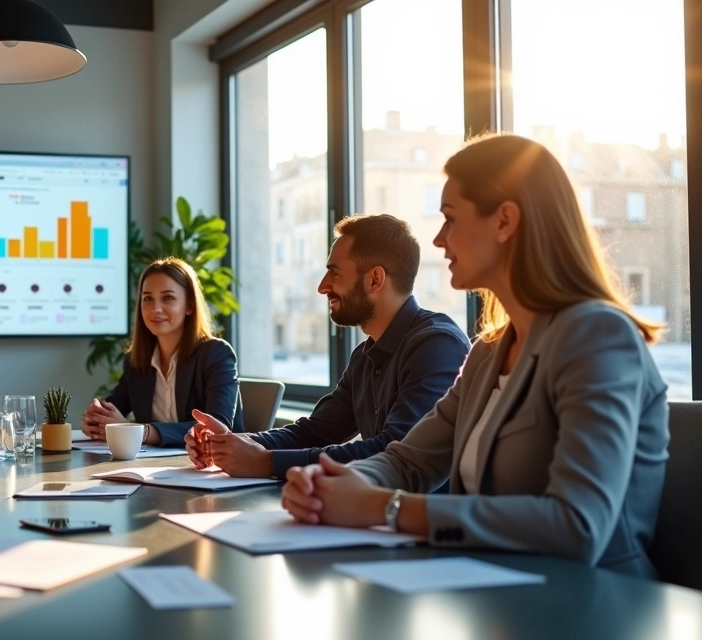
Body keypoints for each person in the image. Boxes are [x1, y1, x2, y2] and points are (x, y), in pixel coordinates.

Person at [281, 134, 669, 578]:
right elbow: (409, 461)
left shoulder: (597, 336)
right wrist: (336, 484)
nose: (439, 238)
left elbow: (578, 527)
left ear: (505, 221)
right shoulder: (487, 352)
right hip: (493, 590)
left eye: (449, 218)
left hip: (594, 604)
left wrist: (386, 508)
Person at [185, 214, 469, 478]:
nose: (322, 286)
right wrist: (235, 443)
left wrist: (265, 462)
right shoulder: (365, 355)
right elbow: (313, 432)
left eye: (335, 273)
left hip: (426, 524)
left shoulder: (437, 346)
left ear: (375, 279)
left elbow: (393, 452)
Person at [81, 257, 243, 447]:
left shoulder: (216, 354)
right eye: (147, 299)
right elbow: (116, 408)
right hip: (154, 469)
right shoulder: (136, 361)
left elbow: (217, 426)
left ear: (189, 306)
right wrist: (97, 419)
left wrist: (141, 432)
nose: (155, 309)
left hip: (217, 468)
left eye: (168, 298)